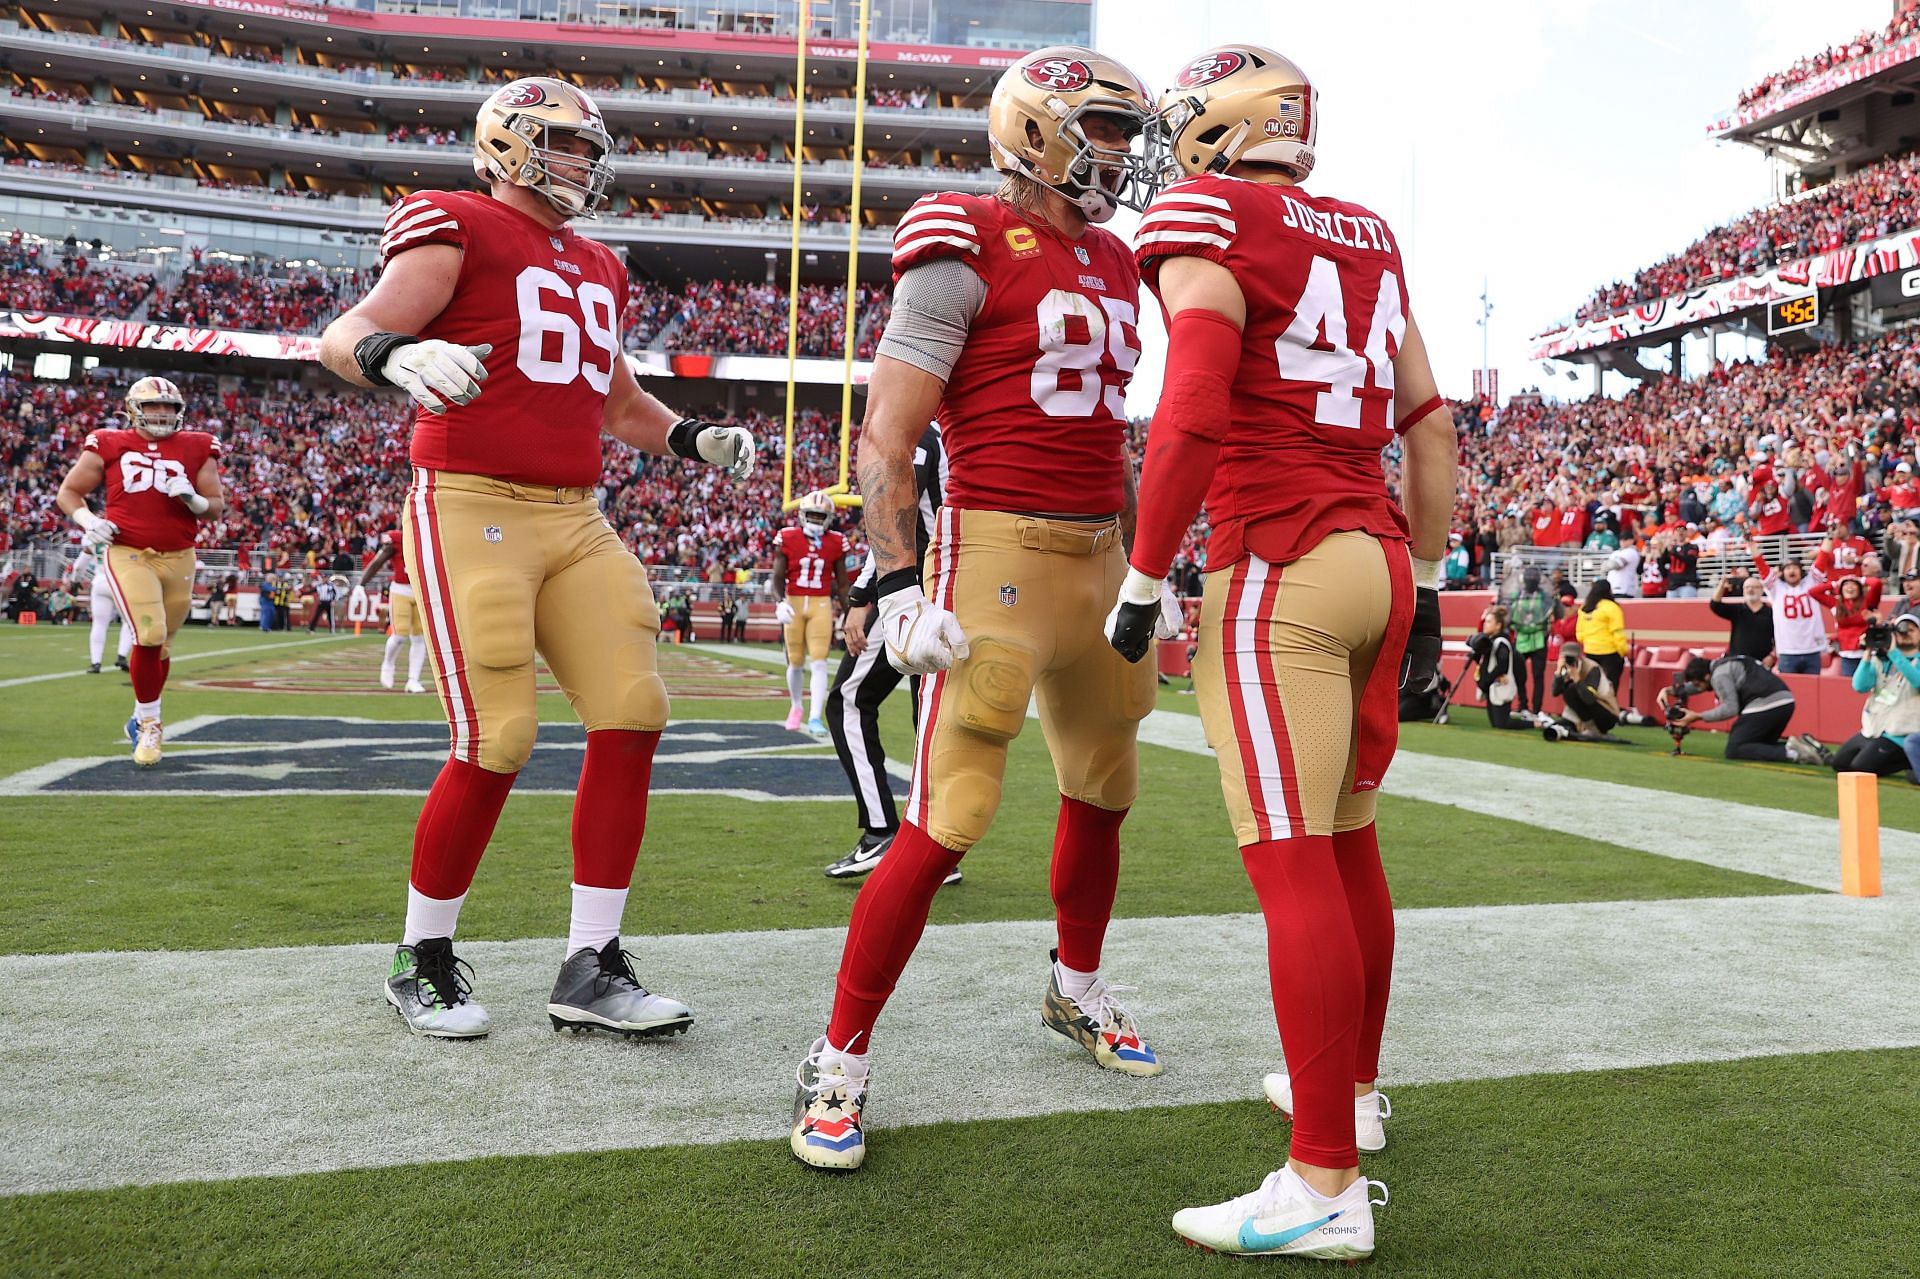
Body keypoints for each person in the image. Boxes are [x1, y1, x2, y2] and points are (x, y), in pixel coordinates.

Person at [318, 76, 757, 1042]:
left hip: (577, 516)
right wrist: (396, 356)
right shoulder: (457, 221)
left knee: (635, 709)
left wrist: (691, 440)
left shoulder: (598, 260)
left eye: (587, 149)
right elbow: (344, 335)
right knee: (498, 736)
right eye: (563, 145)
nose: (583, 164)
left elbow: (618, 402)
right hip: (472, 503)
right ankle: (419, 955)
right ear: (511, 144)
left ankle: (590, 965)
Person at [789, 45, 1163, 1174]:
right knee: (951, 810)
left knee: (1106, 785)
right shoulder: (959, 237)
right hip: (996, 551)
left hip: (1103, 560)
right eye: (1101, 130)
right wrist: (897, 587)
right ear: (1039, 130)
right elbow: (887, 435)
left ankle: (1076, 987)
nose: (1119, 155)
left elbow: (1115, 438)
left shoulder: (1116, 257)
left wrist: (1152, 564)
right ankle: (839, 1055)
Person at [1106, 44, 1454, 1261]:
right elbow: (1427, 420)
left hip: (1280, 560)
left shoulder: (1209, 214)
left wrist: (1146, 578)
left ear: (1217, 126)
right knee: (1350, 840)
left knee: (1293, 858)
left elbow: (1196, 401)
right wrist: (1429, 580)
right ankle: (1351, 1098)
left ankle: (1321, 1181)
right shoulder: (1364, 231)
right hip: (1377, 553)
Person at [53, 376, 225, 767]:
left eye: (169, 407)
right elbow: (69, 491)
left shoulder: (198, 445)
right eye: (153, 406)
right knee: (148, 634)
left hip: (180, 554)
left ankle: (138, 715)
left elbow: (215, 506)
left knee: (161, 645)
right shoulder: (108, 442)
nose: (162, 413)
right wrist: (87, 520)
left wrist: (191, 498)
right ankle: (151, 723)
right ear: (134, 408)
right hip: (128, 551)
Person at [822, 422, 957, 884]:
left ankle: (881, 831)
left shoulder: (916, 435)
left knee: (847, 702)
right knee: (930, 718)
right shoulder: (950, 435)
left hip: (912, 588)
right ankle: (937, 847)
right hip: (953, 582)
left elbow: (895, 520)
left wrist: (861, 598)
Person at [771, 489, 848, 736]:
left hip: (821, 604)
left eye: (820, 516)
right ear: (803, 515)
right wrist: (779, 602)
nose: (815, 520)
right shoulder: (788, 537)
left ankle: (815, 716)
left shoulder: (836, 541)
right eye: (812, 515)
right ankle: (796, 707)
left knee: (819, 661)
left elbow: (843, 583)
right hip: (793, 601)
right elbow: (777, 577)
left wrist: (850, 612)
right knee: (795, 661)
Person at [1661, 654, 1831, 764]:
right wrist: (1671, 690)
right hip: (1784, 701)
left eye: (1698, 683)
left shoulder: (1719, 675)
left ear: (1706, 676)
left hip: (1765, 703)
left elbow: (1730, 708)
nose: (1697, 688)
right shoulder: (1726, 663)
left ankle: (1795, 753)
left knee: (1736, 748)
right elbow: (1702, 686)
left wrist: (1697, 716)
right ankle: (1803, 745)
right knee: (1758, 745)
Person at [1831, 613, 1920, 778]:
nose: (1905, 632)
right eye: (1901, 630)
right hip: (1874, 728)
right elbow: (1859, 686)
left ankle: (1909, 759)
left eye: (1911, 629)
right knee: (1840, 764)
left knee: (1860, 769)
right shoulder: (1882, 659)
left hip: (1902, 732)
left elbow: (1917, 682)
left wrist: (1894, 653)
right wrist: (1867, 653)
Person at [361, 529, 428, 693]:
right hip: (401, 590)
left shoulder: (430, 536)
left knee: (420, 638)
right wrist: (361, 584)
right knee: (399, 636)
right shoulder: (398, 538)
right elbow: (378, 561)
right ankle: (388, 663)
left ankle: (413, 680)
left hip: (422, 590)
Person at [1754, 552, 1828, 675]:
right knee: (1790, 691)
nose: (1791, 571)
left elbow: (1822, 559)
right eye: (1788, 568)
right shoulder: (1776, 588)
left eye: (1795, 567)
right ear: (1782, 572)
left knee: (1812, 691)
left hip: (1812, 650)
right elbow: (1762, 568)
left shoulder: (1812, 583)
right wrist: (1751, 545)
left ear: (1801, 570)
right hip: (1787, 651)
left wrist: (1830, 537)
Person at [1544, 642, 1625, 742]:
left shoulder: (1592, 668)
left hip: (1606, 713)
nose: (1569, 661)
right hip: (1580, 715)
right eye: (1566, 658)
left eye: (1572, 658)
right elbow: (1554, 693)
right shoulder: (1564, 669)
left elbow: (1589, 699)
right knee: (1554, 727)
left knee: (1571, 690)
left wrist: (1577, 679)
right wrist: (1558, 673)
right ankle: (1585, 729)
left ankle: (1593, 730)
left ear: (1580, 657)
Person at [1466, 605, 1529, 730]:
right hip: (1492, 686)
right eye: (1485, 621)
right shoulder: (1489, 641)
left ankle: (1533, 723)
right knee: (1496, 723)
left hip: (1500, 685)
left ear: (1498, 625)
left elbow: (1502, 665)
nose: (1485, 624)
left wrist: (1488, 679)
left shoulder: (1501, 642)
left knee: (1502, 724)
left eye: (1489, 622)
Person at [72, 547, 133, 674]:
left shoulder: (95, 535)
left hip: (100, 581)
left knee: (99, 624)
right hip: (122, 582)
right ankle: (122, 656)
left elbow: (79, 565)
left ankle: (96, 663)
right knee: (128, 622)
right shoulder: (129, 533)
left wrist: (75, 579)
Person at [1810, 573, 1884, 678]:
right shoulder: (1835, 604)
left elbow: (1877, 583)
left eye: (1853, 584)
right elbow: (1813, 592)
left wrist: (1860, 579)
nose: (1850, 587)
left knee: (1868, 685)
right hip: (1847, 655)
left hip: (1867, 652)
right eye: (1846, 584)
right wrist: (1835, 584)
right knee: (1849, 687)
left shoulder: (1868, 602)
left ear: (1859, 588)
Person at [1507, 565, 1553, 717]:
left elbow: (1553, 615)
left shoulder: (1544, 597)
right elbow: (1508, 615)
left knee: (1537, 676)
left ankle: (1536, 709)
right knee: (1520, 674)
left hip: (1538, 639)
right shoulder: (1517, 595)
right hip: (1524, 638)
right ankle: (1524, 705)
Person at [1709, 569, 1775, 662]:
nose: (1750, 590)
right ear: (1743, 591)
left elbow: (1779, 637)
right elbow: (1715, 605)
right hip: (1737, 661)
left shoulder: (1771, 612)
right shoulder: (1737, 610)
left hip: (1762, 663)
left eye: (1754, 587)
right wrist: (1722, 585)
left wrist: (1772, 656)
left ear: (1761, 590)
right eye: (1747, 587)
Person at [1575, 578, 1629, 690]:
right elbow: (1617, 632)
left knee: (1592, 684)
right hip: (1610, 652)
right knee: (1610, 685)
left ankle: (1593, 706)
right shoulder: (1612, 607)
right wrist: (1623, 651)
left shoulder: (1585, 608)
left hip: (1590, 651)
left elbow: (1579, 634)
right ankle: (1609, 706)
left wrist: (1589, 642)